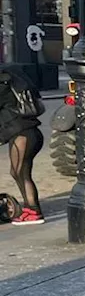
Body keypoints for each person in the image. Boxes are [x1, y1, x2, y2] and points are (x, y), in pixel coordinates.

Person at [0, 68, 44, 225]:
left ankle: (33, 210)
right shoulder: (13, 76)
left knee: (21, 173)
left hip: (22, 136)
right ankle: (30, 208)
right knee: (18, 172)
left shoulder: (2, 85)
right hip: (30, 133)